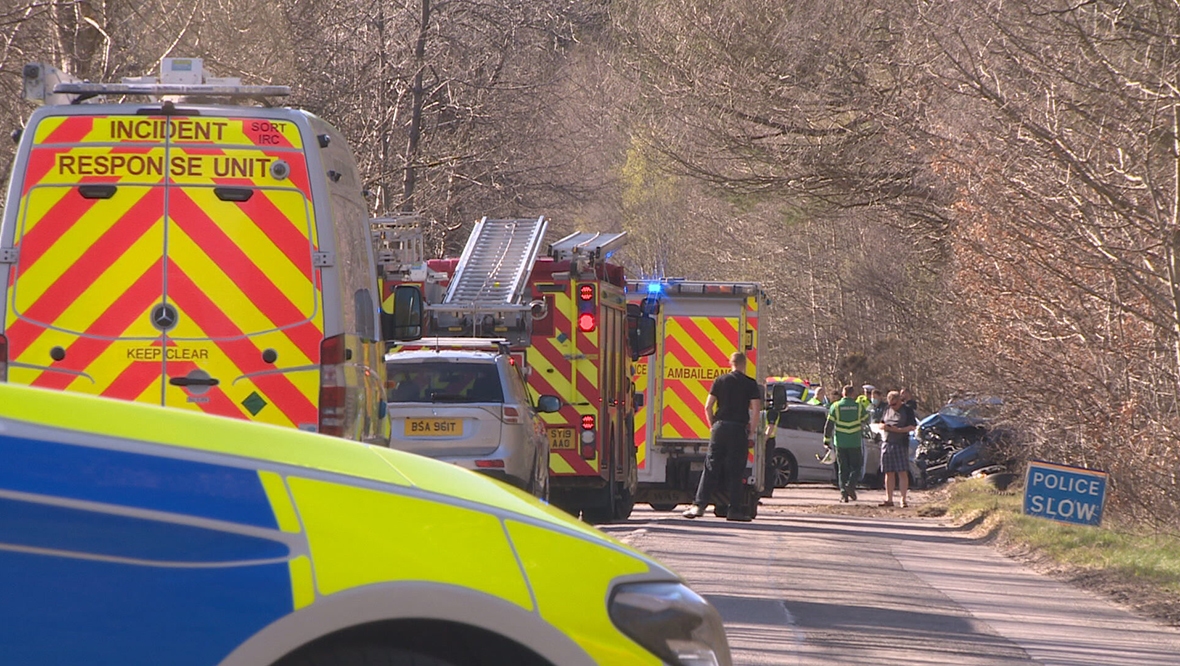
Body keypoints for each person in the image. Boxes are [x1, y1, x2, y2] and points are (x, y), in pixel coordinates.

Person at [683, 352, 762, 521]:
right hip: (738, 429)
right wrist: (752, 431)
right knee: (736, 470)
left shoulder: (720, 381)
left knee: (711, 466)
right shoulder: (750, 384)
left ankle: (699, 506)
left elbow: (707, 407)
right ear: (744, 364)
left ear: (730, 364)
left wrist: (713, 426)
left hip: (720, 428)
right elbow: (756, 410)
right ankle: (734, 510)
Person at [825, 385, 866, 503]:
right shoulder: (858, 407)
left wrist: (826, 440)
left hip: (840, 442)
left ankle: (844, 494)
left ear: (843, 394)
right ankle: (851, 485)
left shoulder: (835, 406)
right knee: (857, 467)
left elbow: (829, 425)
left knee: (842, 469)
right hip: (854, 441)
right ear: (853, 394)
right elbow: (867, 418)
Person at [879, 390, 918, 508]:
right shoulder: (886, 409)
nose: (892, 407)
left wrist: (898, 430)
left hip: (900, 443)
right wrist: (884, 427)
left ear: (900, 401)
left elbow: (912, 427)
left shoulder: (907, 410)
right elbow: (880, 423)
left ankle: (903, 499)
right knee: (888, 472)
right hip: (887, 442)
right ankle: (889, 498)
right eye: (891, 404)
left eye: (894, 404)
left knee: (902, 472)